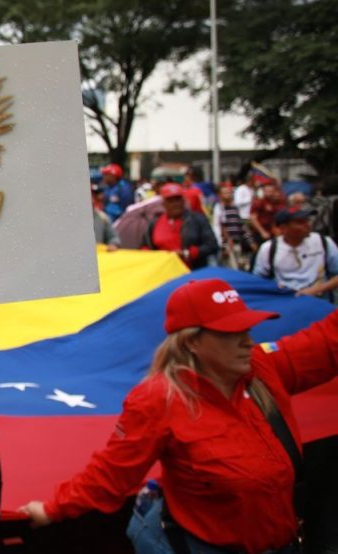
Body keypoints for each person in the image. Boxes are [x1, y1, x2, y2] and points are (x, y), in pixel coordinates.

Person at [19, 278, 337, 554]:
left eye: (247, 328)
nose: (247, 341)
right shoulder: (159, 400)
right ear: (193, 342)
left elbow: (327, 343)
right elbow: (111, 475)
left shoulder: (262, 368)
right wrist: (50, 509)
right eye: (231, 332)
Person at [252, 206, 338, 300]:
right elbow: (257, 281)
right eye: (300, 222)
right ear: (283, 228)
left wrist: (318, 289)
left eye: (307, 220)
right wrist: (274, 288)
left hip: (320, 301)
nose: (307, 225)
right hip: (285, 302)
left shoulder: (323, 242)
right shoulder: (269, 249)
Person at [141, 183, 218, 269]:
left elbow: (212, 245)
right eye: (170, 201)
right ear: (164, 204)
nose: (175, 204)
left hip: (192, 271)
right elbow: (146, 246)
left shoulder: (198, 220)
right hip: (164, 271)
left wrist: (187, 253)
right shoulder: (155, 223)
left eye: (178, 200)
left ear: (183, 201)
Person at [91, 185, 120, 250]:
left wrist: (113, 244)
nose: (92, 199)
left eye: (93, 196)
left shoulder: (103, 218)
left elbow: (113, 237)